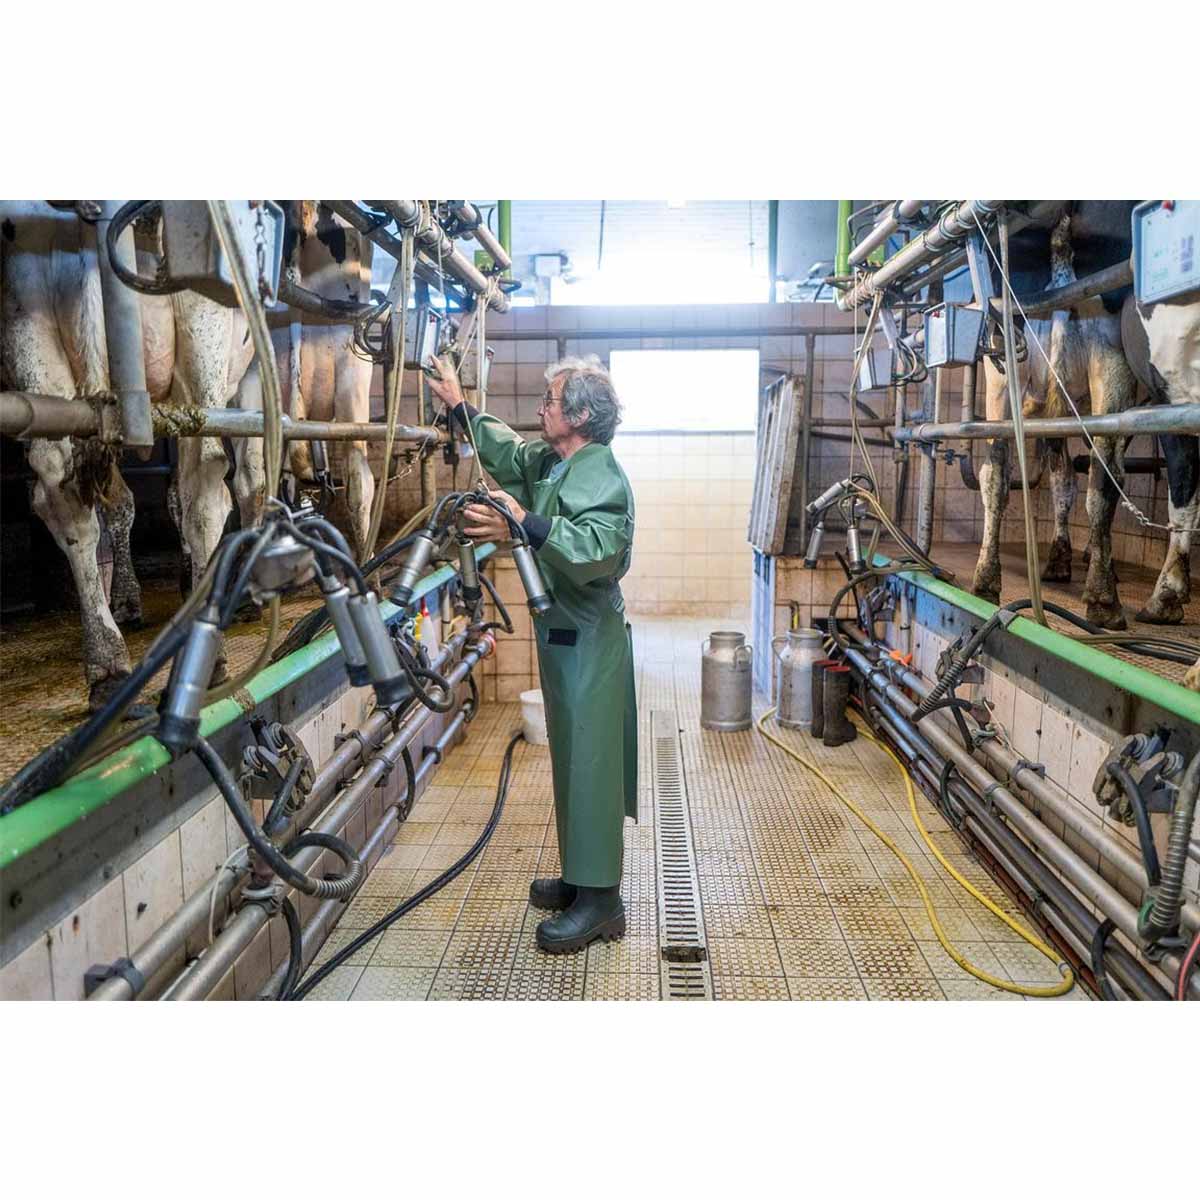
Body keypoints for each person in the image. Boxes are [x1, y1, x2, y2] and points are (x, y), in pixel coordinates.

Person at [428, 353, 637, 954]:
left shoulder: (601, 473)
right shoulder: (554, 461)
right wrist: (461, 405)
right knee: (572, 759)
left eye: (550, 401)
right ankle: (581, 878)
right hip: (563, 634)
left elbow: (598, 549)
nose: (541, 409)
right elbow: (509, 455)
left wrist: (524, 525)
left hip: (591, 637)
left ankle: (602, 901)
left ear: (577, 415)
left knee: (592, 762)